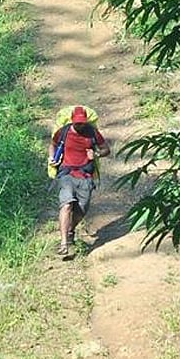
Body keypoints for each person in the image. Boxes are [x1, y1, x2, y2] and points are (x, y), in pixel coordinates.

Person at [48, 105, 111, 258]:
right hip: (66, 173)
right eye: (77, 123)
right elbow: (53, 145)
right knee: (66, 204)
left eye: (82, 122)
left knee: (81, 210)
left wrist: (95, 153)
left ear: (86, 121)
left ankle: (70, 231)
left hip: (85, 176)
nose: (79, 125)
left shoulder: (92, 132)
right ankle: (63, 243)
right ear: (72, 121)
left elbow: (106, 149)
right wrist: (51, 158)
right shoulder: (62, 132)